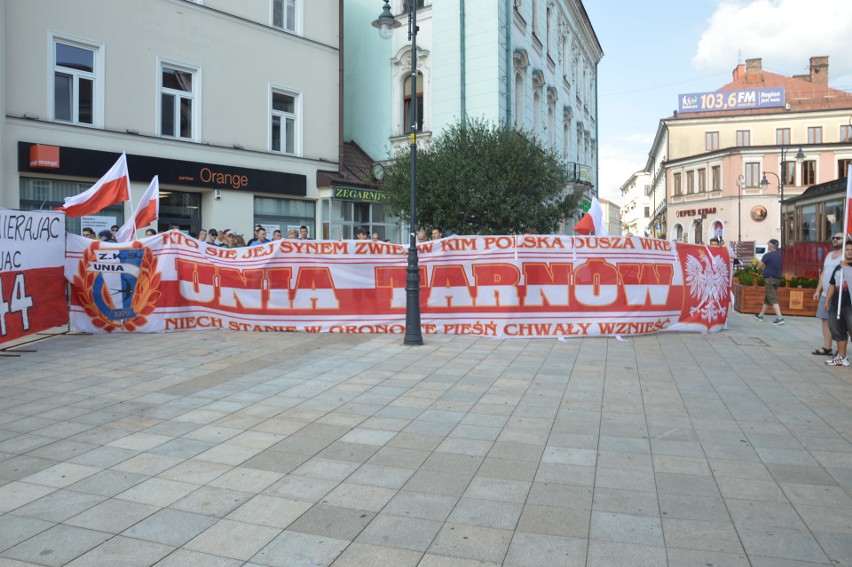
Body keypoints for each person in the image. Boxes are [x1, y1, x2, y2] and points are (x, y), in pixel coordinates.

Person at [813, 232, 844, 356]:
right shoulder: (829, 255)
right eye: (834, 238)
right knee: (825, 320)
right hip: (825, 293)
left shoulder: (845, 256)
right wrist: (818, 290)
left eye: (838, 238)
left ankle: (840, 350)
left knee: (839, 322)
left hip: (838, 294)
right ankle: (827, 347)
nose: (835, 240)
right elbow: (824, 274)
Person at [823, 237, 852, 366]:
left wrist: (846, 268)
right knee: (837, 329)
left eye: (851, 250)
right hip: (837, 304)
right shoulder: (838, 267)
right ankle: (841, 356)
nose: (849, 252)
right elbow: (832, 285)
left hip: (850, 305)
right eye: (847, 250)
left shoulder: (846, 267)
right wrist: (827, 301)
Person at [754, 239, 785, 325]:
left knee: (772, 298)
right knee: (768, 297)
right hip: (777, 280)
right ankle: (761, 315)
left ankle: (780, 317)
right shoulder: (780, 256)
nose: (768, 246)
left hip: (769, 279)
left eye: (768, 245)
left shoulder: (767, 255)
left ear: (771, 246)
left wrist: (760, 266)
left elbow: (759, 266)